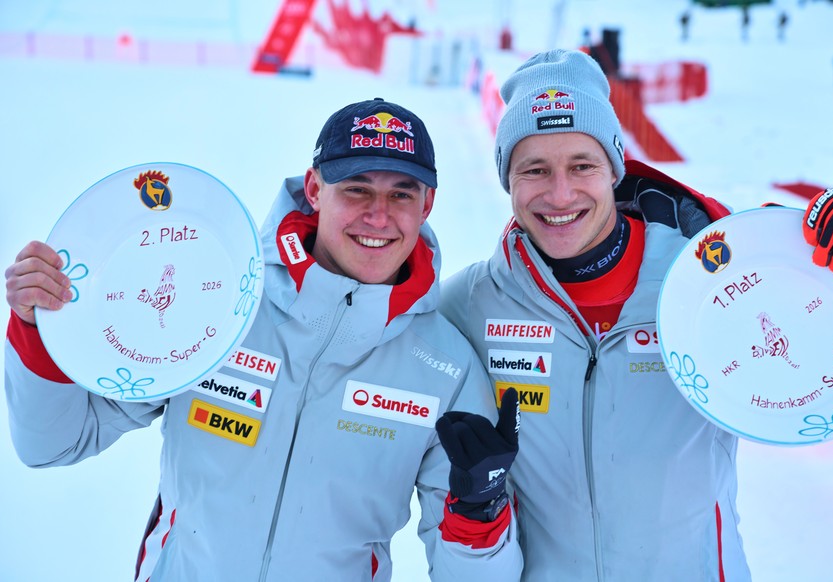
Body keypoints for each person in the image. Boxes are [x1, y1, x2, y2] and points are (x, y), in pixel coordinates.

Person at [4, 98, 523, 581]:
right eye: (357, 188)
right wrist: (38, 328)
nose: (378, 215)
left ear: (427, 203)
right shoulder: (216, 302)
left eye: (401, 194)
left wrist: (479, 511)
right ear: (316, 189)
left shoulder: (447, 370)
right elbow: (55, 443)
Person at [437, 48, 833, 581]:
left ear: (615, 169)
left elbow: (827, 338)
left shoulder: (716, 282)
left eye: (582, 165)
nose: (559, 193)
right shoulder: (466, 307)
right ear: (508, 179)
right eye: (534, 169)